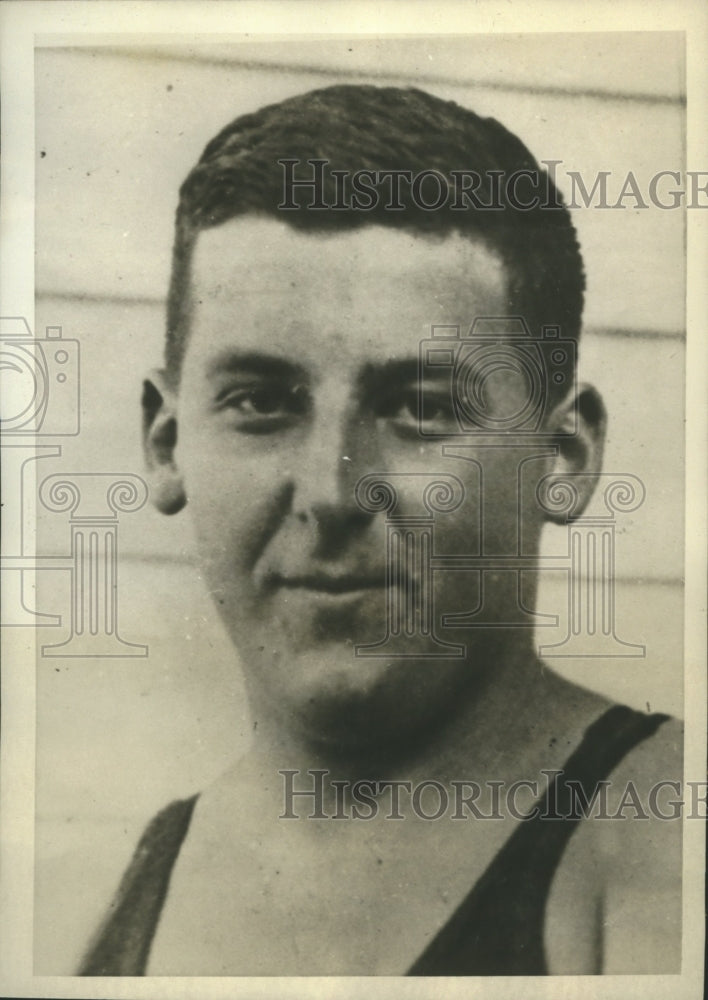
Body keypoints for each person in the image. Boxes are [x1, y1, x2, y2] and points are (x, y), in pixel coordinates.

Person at [78, 84, 682, 976]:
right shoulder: (125, 876)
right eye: (261, 403)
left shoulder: (654, 834)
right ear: (168, 444)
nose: (332, 490)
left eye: (419, 409)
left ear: (561, 456)